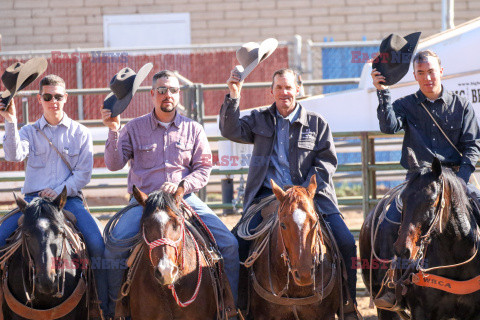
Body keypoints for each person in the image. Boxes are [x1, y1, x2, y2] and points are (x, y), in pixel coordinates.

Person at [220, 68, 361, 319]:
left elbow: (327, 162)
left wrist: (306, 190)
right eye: (279, 87)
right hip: (268, 198)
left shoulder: (317, 123)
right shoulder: (259, 119)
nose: (284, 92)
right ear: (271, 91)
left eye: (289, 87)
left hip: (312, 197)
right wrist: (233, 96)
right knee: (236, 244)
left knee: (347, 243)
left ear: (298, 89)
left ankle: (348, 304)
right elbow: (230, 130)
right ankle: (240, 306)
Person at [101, 70, 239, 319]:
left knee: (228, 244)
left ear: (178, 94)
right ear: (152, 94)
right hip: (144, 204)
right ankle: (115, 310)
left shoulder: (193, 129)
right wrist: (113, 130)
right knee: (113, 247)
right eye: (162, 90)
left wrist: (182, 187)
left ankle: (231, 307)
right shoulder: (134, 127)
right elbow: (113, 163)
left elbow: (204, 168)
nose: (167, 95)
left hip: (182, 200)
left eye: (172, 90)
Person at [371, 50, 480, 309]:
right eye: (421, 73)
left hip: (457, 177)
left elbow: (472, 147)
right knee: (388, 225)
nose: (427, 77)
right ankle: (391, 284)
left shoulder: (461, 105)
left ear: (441, 71)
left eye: (431, 71)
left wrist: (462, 184)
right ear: (415, 76)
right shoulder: (405, 104)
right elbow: (388, 126)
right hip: (419, 182)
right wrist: (383, 91)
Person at [0, 74, 108, 316]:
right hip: (32, 203)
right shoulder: (28, 131)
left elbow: (84, 174)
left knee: (98, 247)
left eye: (58, 96)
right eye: (48, 97)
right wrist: (10, 121)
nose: (53, 101)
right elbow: (13, 155)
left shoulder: (80, 133)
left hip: (68, 201)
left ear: (65, 98)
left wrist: (60, 190)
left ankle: (103, 306)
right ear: (40, 99)